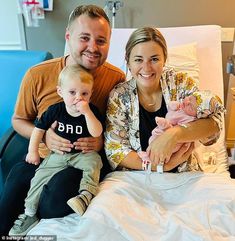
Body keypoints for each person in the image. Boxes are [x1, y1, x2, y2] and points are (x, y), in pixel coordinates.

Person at [0, 4, 125, 236]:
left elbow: (120, 128)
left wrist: (99, 143)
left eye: (101, 40)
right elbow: (18, 120)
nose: (93, 47)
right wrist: (44, 135)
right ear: (68, 37)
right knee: (17, 184)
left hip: (81, 160)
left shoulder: (116, 79)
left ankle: (36, 216)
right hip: (43, 157)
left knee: (54, 201)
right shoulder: (38, 74)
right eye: (84, 38)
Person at [104, 27, 225, 173]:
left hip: (184, 174)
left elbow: (213, 126)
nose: (146, 68)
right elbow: (115, 150)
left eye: (154, 59)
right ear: (128, 62)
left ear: (164, 60)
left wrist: (174, 134)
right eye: (138, 60)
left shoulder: (181, 82)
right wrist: (159, 167)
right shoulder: (119, 96)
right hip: (138, 177)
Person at [9, 65, 103, 235]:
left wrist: (88, 113)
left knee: (95, 162)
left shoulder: (91, 110)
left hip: (82, 154)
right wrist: (33, 151)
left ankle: (86, 195)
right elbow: (39, 130)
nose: (78, 98)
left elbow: (97, 132)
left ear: (91, 93)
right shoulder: (55, 110)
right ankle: (29, 213)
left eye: (84, 93)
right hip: (58, 154)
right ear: (60, 92)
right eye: (72, 92)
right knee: (39, 177)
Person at [138, 91, 225, 171]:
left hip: (184, 170)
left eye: (191, 106)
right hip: (142, 169)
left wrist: (173, 134)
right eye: (189, 98)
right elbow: (123, 155)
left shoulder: (183, 82)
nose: (187, 102)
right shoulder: (125, 92)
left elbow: (216, 125)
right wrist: (163, 166)